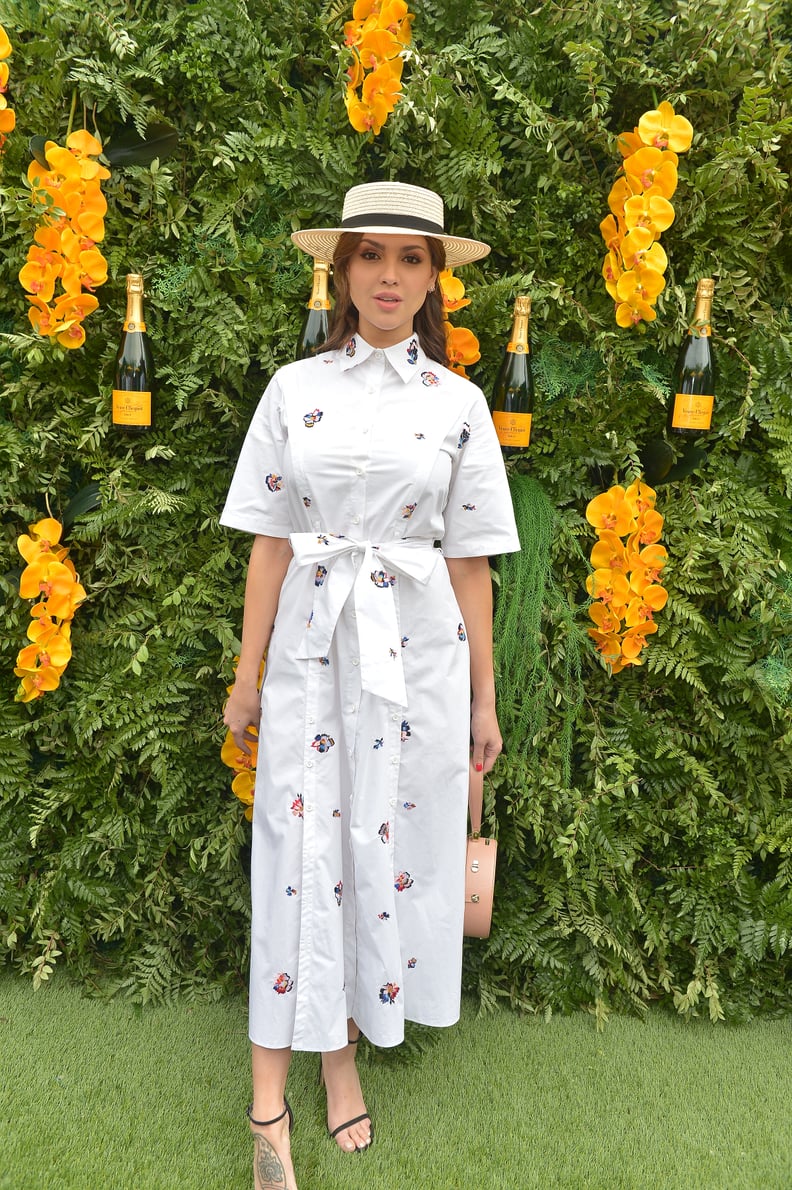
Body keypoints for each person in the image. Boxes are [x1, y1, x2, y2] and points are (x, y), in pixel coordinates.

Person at [221, 180, 520, 1190]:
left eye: (412, 258)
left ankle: (340, 1055)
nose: (390, 275)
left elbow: (474, 560)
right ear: (341, 270)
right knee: (295, 847)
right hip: (312, 643)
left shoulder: (461, 404)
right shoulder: (291, 387)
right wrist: (246, 671)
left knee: (373, 846)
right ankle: (272, 1104)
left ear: (435, 278)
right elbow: (267, 540)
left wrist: (483, 697)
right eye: (372, 255)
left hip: (417, 659)